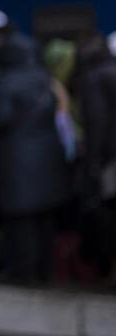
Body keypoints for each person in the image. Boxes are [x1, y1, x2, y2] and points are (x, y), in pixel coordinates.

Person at [0, 31, 70, 284]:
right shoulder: (44, 78)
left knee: (22, 223)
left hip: (17, 162)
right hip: (48, 161)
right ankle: (47, 270)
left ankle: (25, 273)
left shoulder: (6, 83)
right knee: (45, 221)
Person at [76, 34, 116, 283]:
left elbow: (96, 123)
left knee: (110, 215)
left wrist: (92, 162)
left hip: (111, 159)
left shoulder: (94, 77)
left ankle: (112, 270)